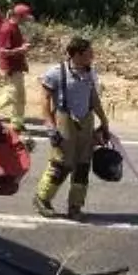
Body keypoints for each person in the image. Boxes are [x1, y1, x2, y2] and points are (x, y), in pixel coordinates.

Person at [33, 36, 110, 220]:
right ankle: (42, 198)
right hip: (65, 120)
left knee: (83, 165)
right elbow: (44, 100)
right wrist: (50, 127)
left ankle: (75, 206)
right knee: (62, 164)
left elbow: (93, 98)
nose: (92, 56)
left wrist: (104, 121)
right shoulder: (55, 73)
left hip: (86, 121)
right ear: (76, 54)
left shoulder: (90, 73)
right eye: (88, 53)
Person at [0, 3, 34, 132]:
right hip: (10, 67)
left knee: (20, 95)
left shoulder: (15, 27)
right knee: (12, 96)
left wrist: (22, 47)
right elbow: (2, 51)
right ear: (19, 16)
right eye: (25, 17)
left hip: (16, 66)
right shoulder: (7, 29)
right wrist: (21, 49)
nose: (26, 20)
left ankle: (17, 122)